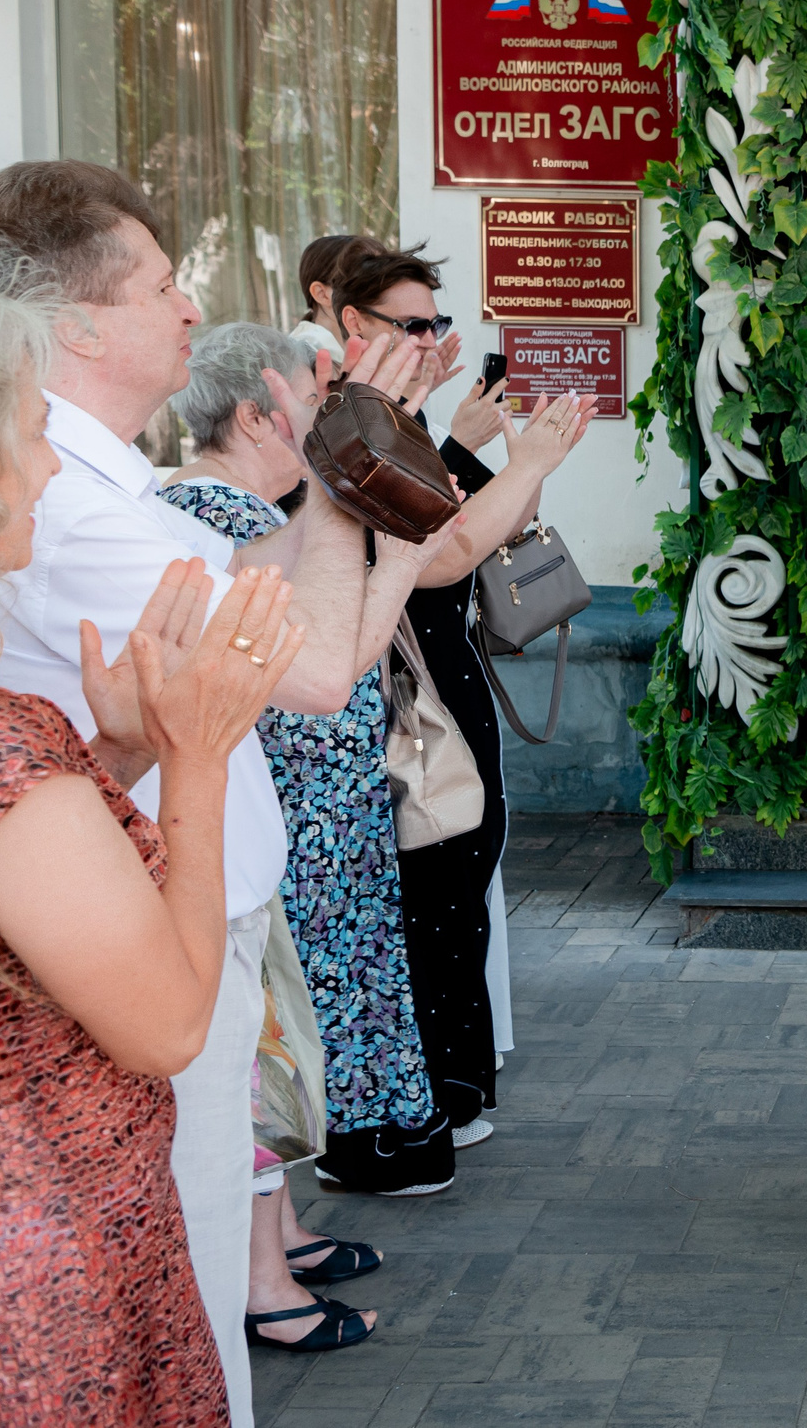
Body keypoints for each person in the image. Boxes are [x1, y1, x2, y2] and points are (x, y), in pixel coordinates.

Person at [0, 162, 432, 1426]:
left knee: (187, 1258)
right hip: (121, 963)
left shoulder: (103, 481)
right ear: (77, 326)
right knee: (189, 1271)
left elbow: (262, 590)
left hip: (134, 923)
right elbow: (312, 660)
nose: (191, 306)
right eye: (162, 282)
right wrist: (340, 476)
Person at [0, 261, 304, 1425]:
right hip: (31, 1257)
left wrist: (125, 752)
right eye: (30, 434)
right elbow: (165, 1024)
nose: (50, 466)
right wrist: (198, 755)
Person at [322, 243, 584, 1152]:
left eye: (439, 322)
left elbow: (482, 521)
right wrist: (521, 459)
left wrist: (511, 456)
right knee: (430, 891)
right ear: (355, 326)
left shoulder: (399, 419)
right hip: (402, 692)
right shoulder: (344, 426)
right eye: (414, 324)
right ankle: (438, 1092)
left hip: (450, 669)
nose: (435, 339)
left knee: (460, 881)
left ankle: (462, 1081)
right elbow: (443, 552)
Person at [287, 234, 375, 366]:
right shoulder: (306, 352)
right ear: (321, 294)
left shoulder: (345, 344)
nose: (375, 293)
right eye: (360, 284)